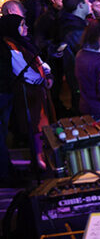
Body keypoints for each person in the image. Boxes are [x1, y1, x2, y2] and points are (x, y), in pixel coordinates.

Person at [0, 14, 54, 170]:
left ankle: (44, 158)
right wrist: (42, 79)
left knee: (41, 125)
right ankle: (38, 160)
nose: (26, 28)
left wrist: (47, 73)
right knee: (34, 126)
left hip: (37, 92)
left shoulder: (24, 43)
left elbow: (39, 61)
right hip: (27, 93)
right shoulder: (10, 46)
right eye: (22, 25)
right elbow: (23, 71)